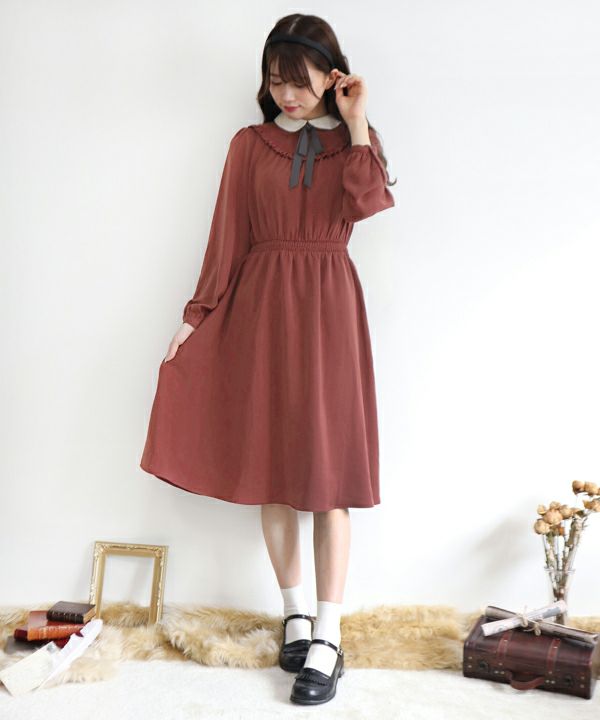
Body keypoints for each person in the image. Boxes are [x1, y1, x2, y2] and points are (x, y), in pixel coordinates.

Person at [140, 13, 395, 706]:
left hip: (329, 313)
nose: (287, 94)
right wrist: (195, 318)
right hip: (261, 313)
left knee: (330, 481)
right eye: (276, 80)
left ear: (332, 76)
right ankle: (294, 613)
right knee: (276, 474)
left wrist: (357, 120)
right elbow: (225, 238)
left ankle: (329, 635)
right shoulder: (248, 145)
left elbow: (370, 202)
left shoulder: (355, 144)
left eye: (301, 81)